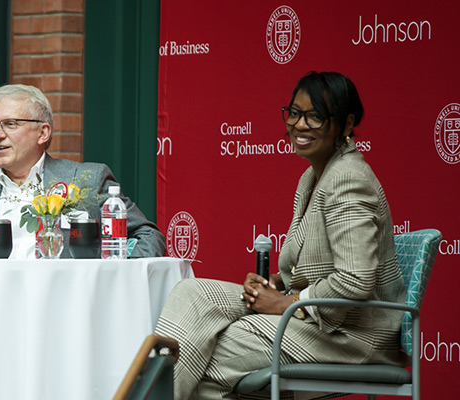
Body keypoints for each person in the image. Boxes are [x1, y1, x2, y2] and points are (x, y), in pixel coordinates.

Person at [0, 84, 166, 386]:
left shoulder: (86, 179)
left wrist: (114, 281)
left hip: (66, 323)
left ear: (43, 132)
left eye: (10, 124)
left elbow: (147, 235)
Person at [154, 71, 407, 399]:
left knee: (213, 350)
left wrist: (289, 303)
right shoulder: (310, 179)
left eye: (316, 117)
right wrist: (273, 284)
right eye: (295, 113)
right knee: (192, 293)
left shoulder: (348, 180)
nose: (300, 125)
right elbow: (311, 266)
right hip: (316, 320)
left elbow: (356, 279)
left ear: (345, 125)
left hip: (354, 336)